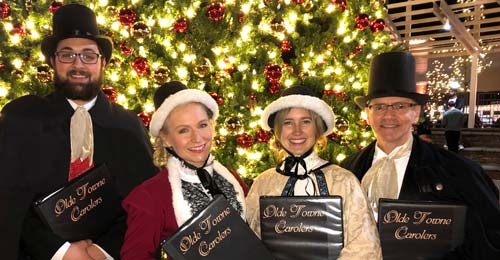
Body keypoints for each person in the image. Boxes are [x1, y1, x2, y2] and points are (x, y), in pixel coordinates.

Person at [0, 4, 158, 259]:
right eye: (67, 54)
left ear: (103, 62)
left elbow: (145, 207)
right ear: (53, 61)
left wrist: (101, 250)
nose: (78, 65)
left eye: (88, 55)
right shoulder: (21, 120)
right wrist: (62, 252)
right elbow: (9, 203)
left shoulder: (128, 127)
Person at [341, 51, 500, 259]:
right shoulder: (347, 170)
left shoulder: (459, 172)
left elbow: (491, 241)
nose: (389, 115)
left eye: (400, 106)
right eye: (379, 107)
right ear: (368, 114)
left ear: (415, 112)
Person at [245, 85, 382, 259]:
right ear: (277, 131)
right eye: (288, 122)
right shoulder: (263, 183)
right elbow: (250, 241)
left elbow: (364, 247)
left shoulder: (343, 181)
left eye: (306, 121)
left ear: (317, 128)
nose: (297, 131)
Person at [120, 81, 248, 260]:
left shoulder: (230, 177)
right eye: (183, 131)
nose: (197, 138)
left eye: (202, 125)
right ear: (166, 139)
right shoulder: (150, 197)